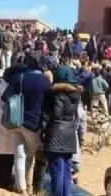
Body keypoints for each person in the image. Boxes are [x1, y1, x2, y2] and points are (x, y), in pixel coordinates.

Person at [2, 53, 52, 195]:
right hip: (34, 124)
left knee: (18, 155)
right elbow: (49, 105)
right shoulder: (45, 81)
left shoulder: (19, 77)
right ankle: (28, 188)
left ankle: (21, 187)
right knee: (29, 157)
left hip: (16, 121)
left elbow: (5, 97)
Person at [42, 65, 82, 196]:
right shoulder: (76, 95)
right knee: (66, 169)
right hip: (70, 133)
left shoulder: (57, 94)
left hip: (56, 133)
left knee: (57, 170)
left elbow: (56, 113)